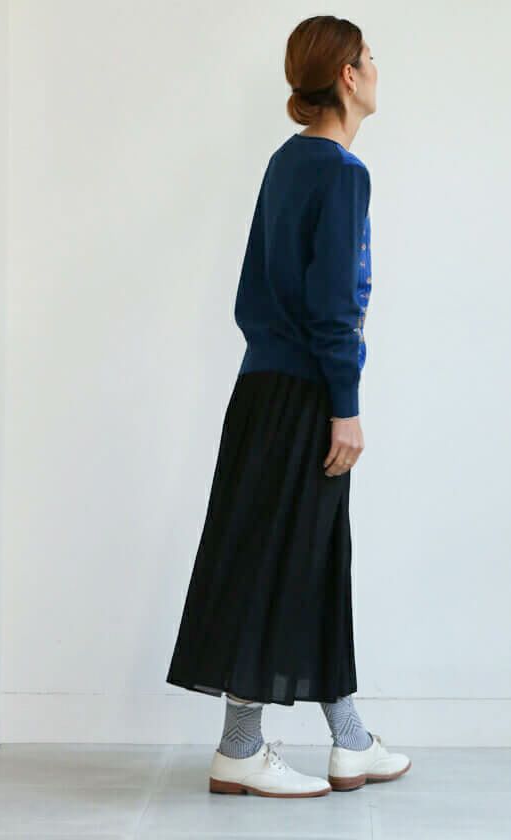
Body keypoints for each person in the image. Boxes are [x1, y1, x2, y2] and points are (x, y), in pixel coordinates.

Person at [166, 15, 411, 797]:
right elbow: (335, 305)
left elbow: (254, 293)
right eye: (369, 58)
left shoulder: (286, 162)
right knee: (280, 559)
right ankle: (240, 747)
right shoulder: (340, 172)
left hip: (264, 389)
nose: (377, 70)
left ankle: (349, 739)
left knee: (311, 556)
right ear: (346, 76)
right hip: (306, 395)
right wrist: (346, 404)